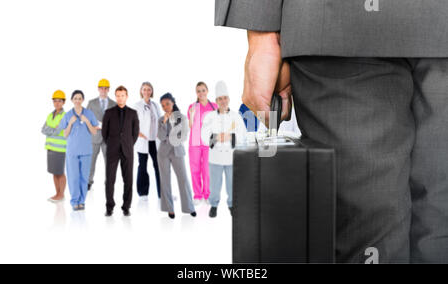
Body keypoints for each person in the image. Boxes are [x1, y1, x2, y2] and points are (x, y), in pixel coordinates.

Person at [215, 0, 448, 263]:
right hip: (340, 30)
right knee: (375, 233)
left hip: (335, 26)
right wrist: (261, 35)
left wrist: (261, 32)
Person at [201, 81, 246, 218]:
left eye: (225, 98)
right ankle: (214, 205)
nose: (223, 101)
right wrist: (216, 137)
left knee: (232, 185)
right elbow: (203, 136)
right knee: (214, 186)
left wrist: (230, 136)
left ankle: (232, 205)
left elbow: (242, 134)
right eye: (220, 99)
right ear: (216, 101)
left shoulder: (236, 116)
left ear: (228, 99)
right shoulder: (210, 117)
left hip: (231, 157)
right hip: (215, 158)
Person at [102, 85, 139, 217]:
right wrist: (113, 143)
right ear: (115, 96)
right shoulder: (109, 113)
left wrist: (128, 143)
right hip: (112, 150)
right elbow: (104, 133)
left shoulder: (133, 113)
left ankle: (126, 207)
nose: (120, 98)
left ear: (126, 96)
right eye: (118, 95)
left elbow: (135, 133)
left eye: (122, 95)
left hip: (127, 150)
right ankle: (109, 207)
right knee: (110, 179)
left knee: (128, 179)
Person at [157, 93, 196, 219]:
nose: (165, 107)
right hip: (163, 153)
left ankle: (189, 207)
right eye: (163, 105)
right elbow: (160, 136)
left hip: (177, 152)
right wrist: (164, 122)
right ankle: (169, 208)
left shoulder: (182, 118)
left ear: (173, 103)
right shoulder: (160, 120)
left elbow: (183, 137)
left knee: (183, 179)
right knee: (165, 181)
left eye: (167, 104)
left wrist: (170, 137)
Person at [59, 90, 98, 211]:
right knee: (73, 177)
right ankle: (74, 201)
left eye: (79, 98)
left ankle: (82, 201)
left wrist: (86, 121)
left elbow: (94, 131)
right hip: (72, 151)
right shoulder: (67, 115)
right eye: (75, 98)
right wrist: (70, 124)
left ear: (82, 100)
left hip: (86, 151)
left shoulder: (89, 114)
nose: (77, 100)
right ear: (71, 100)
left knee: (84, 177)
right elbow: (65, 134)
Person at [187, 82, 218, 206]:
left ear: (207, 91)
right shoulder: (192, 106)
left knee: (207, 170)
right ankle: (197, 195)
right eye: (198, 91)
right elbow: (190, 126)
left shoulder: (214, 106)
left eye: (203, 90)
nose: (201, 93)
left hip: (209, 143)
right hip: (195, 143)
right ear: (196, 93)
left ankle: (207, 195)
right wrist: (192, 114)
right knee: (195, 170)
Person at [86, 79, 117, 191]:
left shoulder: (114, 104)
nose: (103, 90)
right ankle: (88, 181)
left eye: (106, 88)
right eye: (101, 88)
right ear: (98, 89)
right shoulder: (91, 103)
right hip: (94, 137)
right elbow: (86, 119)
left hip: (108, 138)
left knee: (109, 161)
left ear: (108, 89)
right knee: (91, 161)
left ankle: (109, 181)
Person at [134, 82, 162, 200]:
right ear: (141, 91)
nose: (146, 91)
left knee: (159, 166)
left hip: (154, 141)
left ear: (151, 91)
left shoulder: (155, 105)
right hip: (143, 140)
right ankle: (143, 193)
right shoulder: (137, 106)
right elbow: (132, 123)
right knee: (143, 166)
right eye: (144, 89)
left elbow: (160, 121)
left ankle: (162, 193)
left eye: (149, 89)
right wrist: (137, 133)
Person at [42, 90, 67, 203]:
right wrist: (53, 129)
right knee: (54, 172)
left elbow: (57, 131)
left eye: (59, 101)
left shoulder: (65, 116)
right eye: (55, 101)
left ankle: (61, 195)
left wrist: (50, 130)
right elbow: (43, 129)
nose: (57, 103)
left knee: (60, 172)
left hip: (60, 149)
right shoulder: (50, 115)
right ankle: (57, 193)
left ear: (63, 102)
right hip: (50, 148)